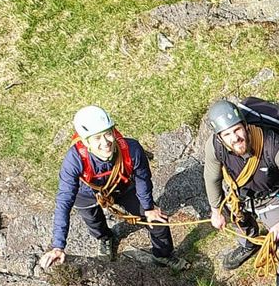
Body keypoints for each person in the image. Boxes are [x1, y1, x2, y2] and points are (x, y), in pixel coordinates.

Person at [39, 106, 187, 271]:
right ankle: (105, 238)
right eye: (97, 138)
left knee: (158, 221)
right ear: (85, 141)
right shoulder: (74, 160)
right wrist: (58, 246)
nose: (106, 143)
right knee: (94, 222)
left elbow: (143, 180)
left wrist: (148, 207)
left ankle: (163, 255)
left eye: (108, 134)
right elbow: (64, 201)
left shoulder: (131, 149)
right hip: (87, 194)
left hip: (120, 185)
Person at [202, 99, 279, 286]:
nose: (235, 138)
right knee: (241, 222)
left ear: (246, 126)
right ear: (220, 137)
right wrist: (216, 210)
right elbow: (211, 177)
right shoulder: (214, 146)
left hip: (273, 199)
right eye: (227, 134)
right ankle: (248, 244)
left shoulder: (275, 147)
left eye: (237, 130)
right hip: (238, 198)